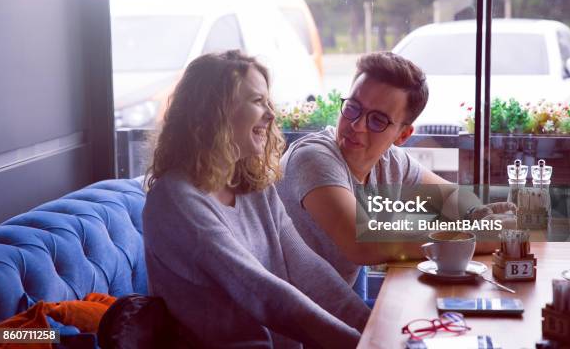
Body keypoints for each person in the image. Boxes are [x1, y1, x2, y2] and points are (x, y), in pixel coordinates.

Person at [142, 50, 369, 348]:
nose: (271, 114)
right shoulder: (176, 199)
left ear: (404, 132)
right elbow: (262, 291)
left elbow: (308, 269)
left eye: (383, 119)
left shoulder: (251, 184)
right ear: (215, 111)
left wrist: (372, 327)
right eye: (257, 101)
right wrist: (365, 342)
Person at [276, 51, 516, 285]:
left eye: (377, 120)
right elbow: (363, 244)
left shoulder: (391, 162)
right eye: (352, 107)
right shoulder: (312, 158)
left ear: (403, 135)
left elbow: (453, 197)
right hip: (289, 321)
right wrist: (477, 238)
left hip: (333, 310)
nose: (357, 125)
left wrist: (480, 216)